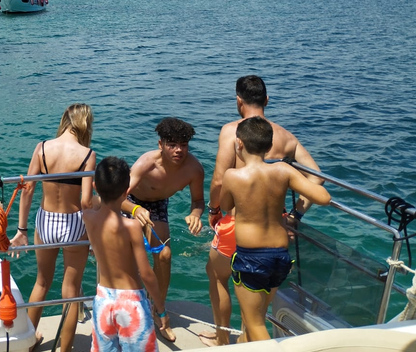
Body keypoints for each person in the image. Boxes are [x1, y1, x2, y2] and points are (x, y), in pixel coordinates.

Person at [202, 75, 325, 347]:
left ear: (238, 101)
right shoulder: (284, 137)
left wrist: (213, 210)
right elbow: (317, 178)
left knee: (217, 275)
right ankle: (247, 341)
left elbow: (220, 180)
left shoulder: (232, 131)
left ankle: (222, 338)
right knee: (257, 304)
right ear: (266, 100)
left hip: (238, 223)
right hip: (276, 229)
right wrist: (295, 214)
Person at [220, 116, 330, 342]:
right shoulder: (283, 171)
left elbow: (225, 205)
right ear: (269, 147)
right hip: (280, 256)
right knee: (258, 315)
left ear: (238, 144)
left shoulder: (233, 176)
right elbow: (323, 196)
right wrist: (294, 214)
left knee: (254, 322)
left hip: (251, 257)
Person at [9, 103, 97, 352]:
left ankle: (27, 343)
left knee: (41, 283)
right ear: (85, 123)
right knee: (70, 291)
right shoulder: (87, 154)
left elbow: (28, 189)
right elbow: (86, 201)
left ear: (65, 120)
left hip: (45, 220)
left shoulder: (42, 147)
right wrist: (91, 236)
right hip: (72, 222)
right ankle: (65, 348)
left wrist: (21, 230)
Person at [120, 117, 204, 342]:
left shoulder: (194, 169)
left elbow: (198, 202)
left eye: (183, 145)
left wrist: (195, 215)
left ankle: (159, 310)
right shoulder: (146, 163)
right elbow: (117, 196)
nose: (179, 150)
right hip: (131, 201)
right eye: (172, 144)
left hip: (157, 206)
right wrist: (135, 208)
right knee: (127, 259)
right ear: (161, 145)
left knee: (164, 256)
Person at [83, 156, 164, 352]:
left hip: (103, 301)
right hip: (131, 304)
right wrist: (161, 309)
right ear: (127, 191)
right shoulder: (131, 226)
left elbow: (90, 201)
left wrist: (99, 190)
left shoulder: (88, 217)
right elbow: (146, 274)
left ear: (95, 186)